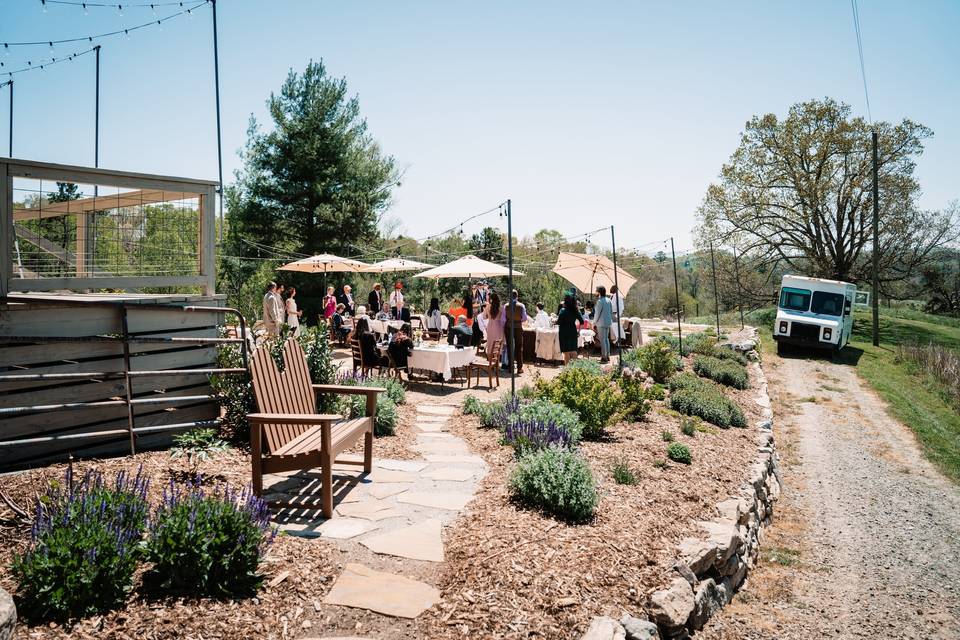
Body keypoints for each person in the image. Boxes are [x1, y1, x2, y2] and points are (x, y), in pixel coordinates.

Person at [503, 289, 528, 374]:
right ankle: (519, 368)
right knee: (519, 347)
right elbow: (524, 318)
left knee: (510, 347)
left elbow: (503, 319)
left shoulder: (506, 306)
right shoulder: (521, 306)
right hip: (517, 327)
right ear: (517, 296)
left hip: (508, 327)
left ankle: (510, 368)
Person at [557, 294, 584, 365]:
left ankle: (567, 370)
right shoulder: (576, 310)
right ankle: (574, 370)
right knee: (573, 350)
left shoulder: (563, 310)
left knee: (566, 352)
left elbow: (559, 322)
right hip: (573, 330)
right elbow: (582, 322)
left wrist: (555, 321)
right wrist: (579, 331)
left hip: (564, 331)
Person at [594, 285, 613, 363]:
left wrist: (594, 322)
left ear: (599, 292)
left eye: (596, 290)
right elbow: (611, 311)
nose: (596, 292)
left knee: (602, 340)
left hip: (601, 323)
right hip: (608, 322)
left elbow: (597, 313)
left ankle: (604, 357)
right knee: (606, 339)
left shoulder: (599, 301)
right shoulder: (609, 300)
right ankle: (608, 355)